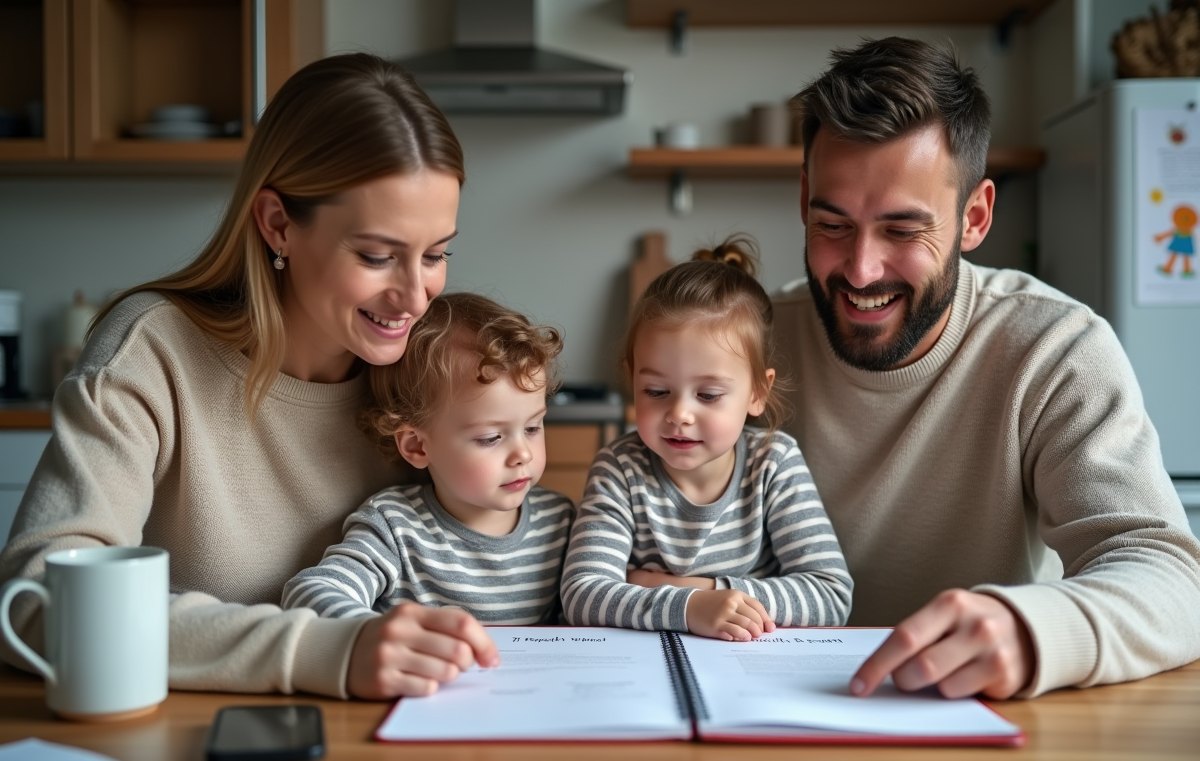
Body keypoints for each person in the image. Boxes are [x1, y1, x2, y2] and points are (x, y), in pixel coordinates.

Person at [0, 54, 502, 701]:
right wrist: (323, 650)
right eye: (378, 256)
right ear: (278, 224)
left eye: (435, 254)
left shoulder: (427, 372)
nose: (414, 295)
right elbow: (37, 599)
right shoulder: (153, 351)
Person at [774, 37, 1200, 700]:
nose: (861, 269)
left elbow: (1171, 574)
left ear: (974, 218)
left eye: (902, 231)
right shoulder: (750, 345)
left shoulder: (1053, 347)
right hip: (764, 715)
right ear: (804, 201)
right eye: (833, 225)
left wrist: (1031, 631)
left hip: (986, 725)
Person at [561, 240, 853, 640]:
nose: (680, 414)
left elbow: (830, 595)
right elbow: (582, 595)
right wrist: (690, 609)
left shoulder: (774, 463)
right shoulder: (620, 468)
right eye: (656, 391)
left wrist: (698, 592)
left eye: (708, 396)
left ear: (756, 393)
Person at [282, 293, 575, 647]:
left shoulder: (562, 521)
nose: (523, 454)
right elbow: (310, 592)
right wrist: (370, 633)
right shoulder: (395, 527)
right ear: (417, 446)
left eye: (532, 428)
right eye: (491, 437)